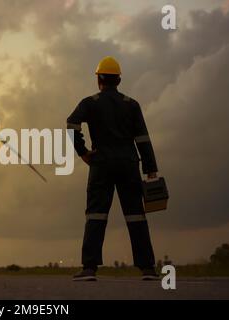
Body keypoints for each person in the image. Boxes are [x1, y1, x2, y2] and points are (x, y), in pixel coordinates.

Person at [67, 56, 159, 281]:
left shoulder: (90, 102)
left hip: (102, 165)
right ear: (118, 79)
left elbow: (71, 124)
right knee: (136, 216)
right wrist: (150, 167)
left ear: (99, 79)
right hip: (128, 163)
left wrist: (83, 152)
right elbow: (143, 138)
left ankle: (89, 268)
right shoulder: (132, 104)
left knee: (96, 215)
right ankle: (147, 268)